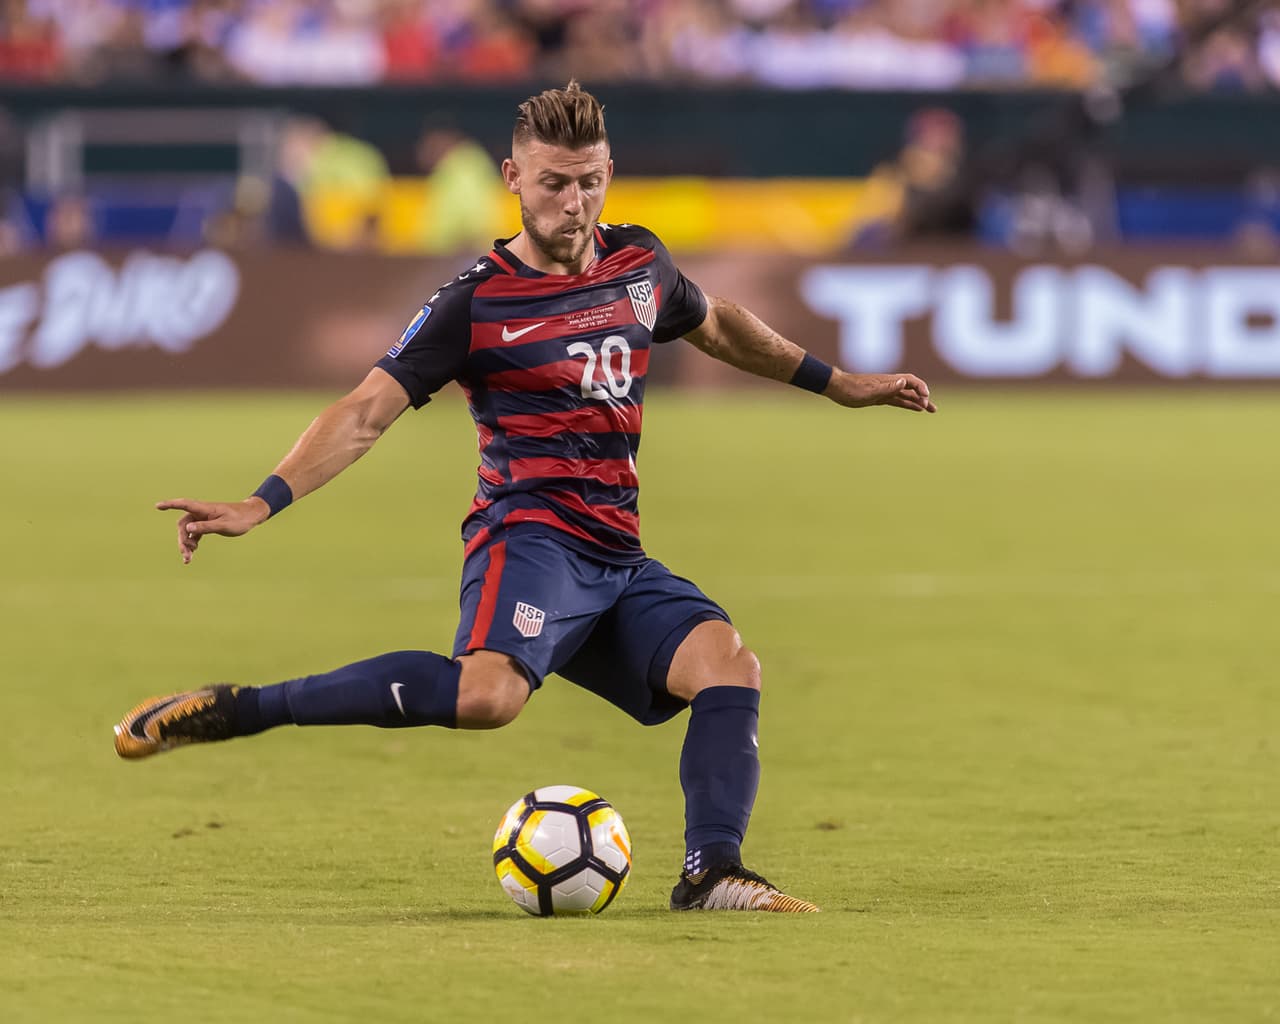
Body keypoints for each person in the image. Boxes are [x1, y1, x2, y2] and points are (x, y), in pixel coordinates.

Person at [113, 81, 936, 914]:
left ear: (609, 172)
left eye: (588, 181)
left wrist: (841, 387)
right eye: (553, 183)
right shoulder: (473, 302)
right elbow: (364, 412)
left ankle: (712, 873)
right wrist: (261, 502)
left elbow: (718, 322)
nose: (573, 203)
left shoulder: (639, 264)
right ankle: (241, 709)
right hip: (530, 539)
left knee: (728, 667)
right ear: (513, 177)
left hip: (615, 550)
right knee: (488, 698)